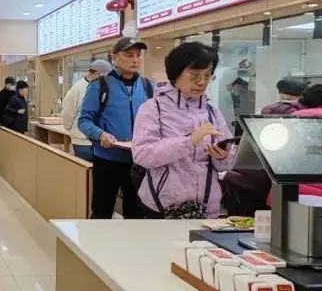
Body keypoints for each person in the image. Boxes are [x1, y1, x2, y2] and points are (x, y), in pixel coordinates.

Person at [133, 41, 232, 220]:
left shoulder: (212, 111)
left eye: (207, 75)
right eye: (194, 75)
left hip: (206, 207)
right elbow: (142, 155)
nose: (202, 82)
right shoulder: (153, 108)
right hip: (163, 206)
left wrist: (223, 157)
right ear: (176, 73)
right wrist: (188, 141)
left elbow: (225, 163)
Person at [77, 38, 154, 219]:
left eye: (138, 55)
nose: (135, 60)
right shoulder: (100, 85)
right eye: (129, 55)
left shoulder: (147, 86)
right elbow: (84, 121)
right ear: (115, 57)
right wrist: (100, 134)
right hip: (107, 160)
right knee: (102, 211)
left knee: (136, 214)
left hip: (139, 161)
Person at [62, 60, 114, 161]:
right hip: (83, 142)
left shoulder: (103, 88)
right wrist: (70, 129)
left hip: (100, 140)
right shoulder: (77, 88)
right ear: (98, 74)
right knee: (86, 169)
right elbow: (67, 112)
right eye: (107, 76)